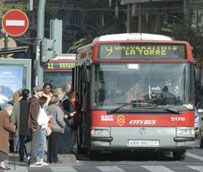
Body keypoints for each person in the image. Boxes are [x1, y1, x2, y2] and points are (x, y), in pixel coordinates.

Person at [11, 89, 31, 162]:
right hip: (28, 125)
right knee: (28, 140)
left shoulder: (17, 103)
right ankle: (27, 154)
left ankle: (21, 157)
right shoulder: (30, 103)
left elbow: (13, 115)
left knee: (22, 141)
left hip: (21, 125)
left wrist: (13, 123)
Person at [27, 86, 44, 167]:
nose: (41, 92)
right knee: (35, 143)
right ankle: (33, 161)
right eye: (40, 91)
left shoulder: (32, 100)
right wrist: (36, 124)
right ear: (35, 92)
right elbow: (34, 115)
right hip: (35, 125)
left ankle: (32, 160)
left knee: (34, 142)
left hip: (33, 124)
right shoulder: (35, 102)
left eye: (41, 91)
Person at [47, 95, 65, 163]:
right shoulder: (58, 109)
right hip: (57, 129)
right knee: (56, 146)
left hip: (50, 128)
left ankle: (50, 159)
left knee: (51, 145)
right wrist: (64, 125)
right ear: (58, 101)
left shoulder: (48, 107)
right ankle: (54, 159)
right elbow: (60, 120)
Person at [0, 104, 15, 170]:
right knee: (3, 149)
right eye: (11, 111)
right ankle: (2, 164)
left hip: (1, 133)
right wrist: (13, 127)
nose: (11, 113)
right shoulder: (5, 114)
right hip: (2, 134)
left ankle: (2, 164)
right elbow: (6, 125)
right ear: (8, 109)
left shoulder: (1, 113)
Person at [37, 96, 50, 166]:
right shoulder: (40, 109)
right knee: (42, 143)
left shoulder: (41, 108)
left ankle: (40, 158)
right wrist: (48, 118)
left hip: (41, 128)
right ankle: (40, 159)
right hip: (41, 128)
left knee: (41, 143)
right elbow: (40, 120)